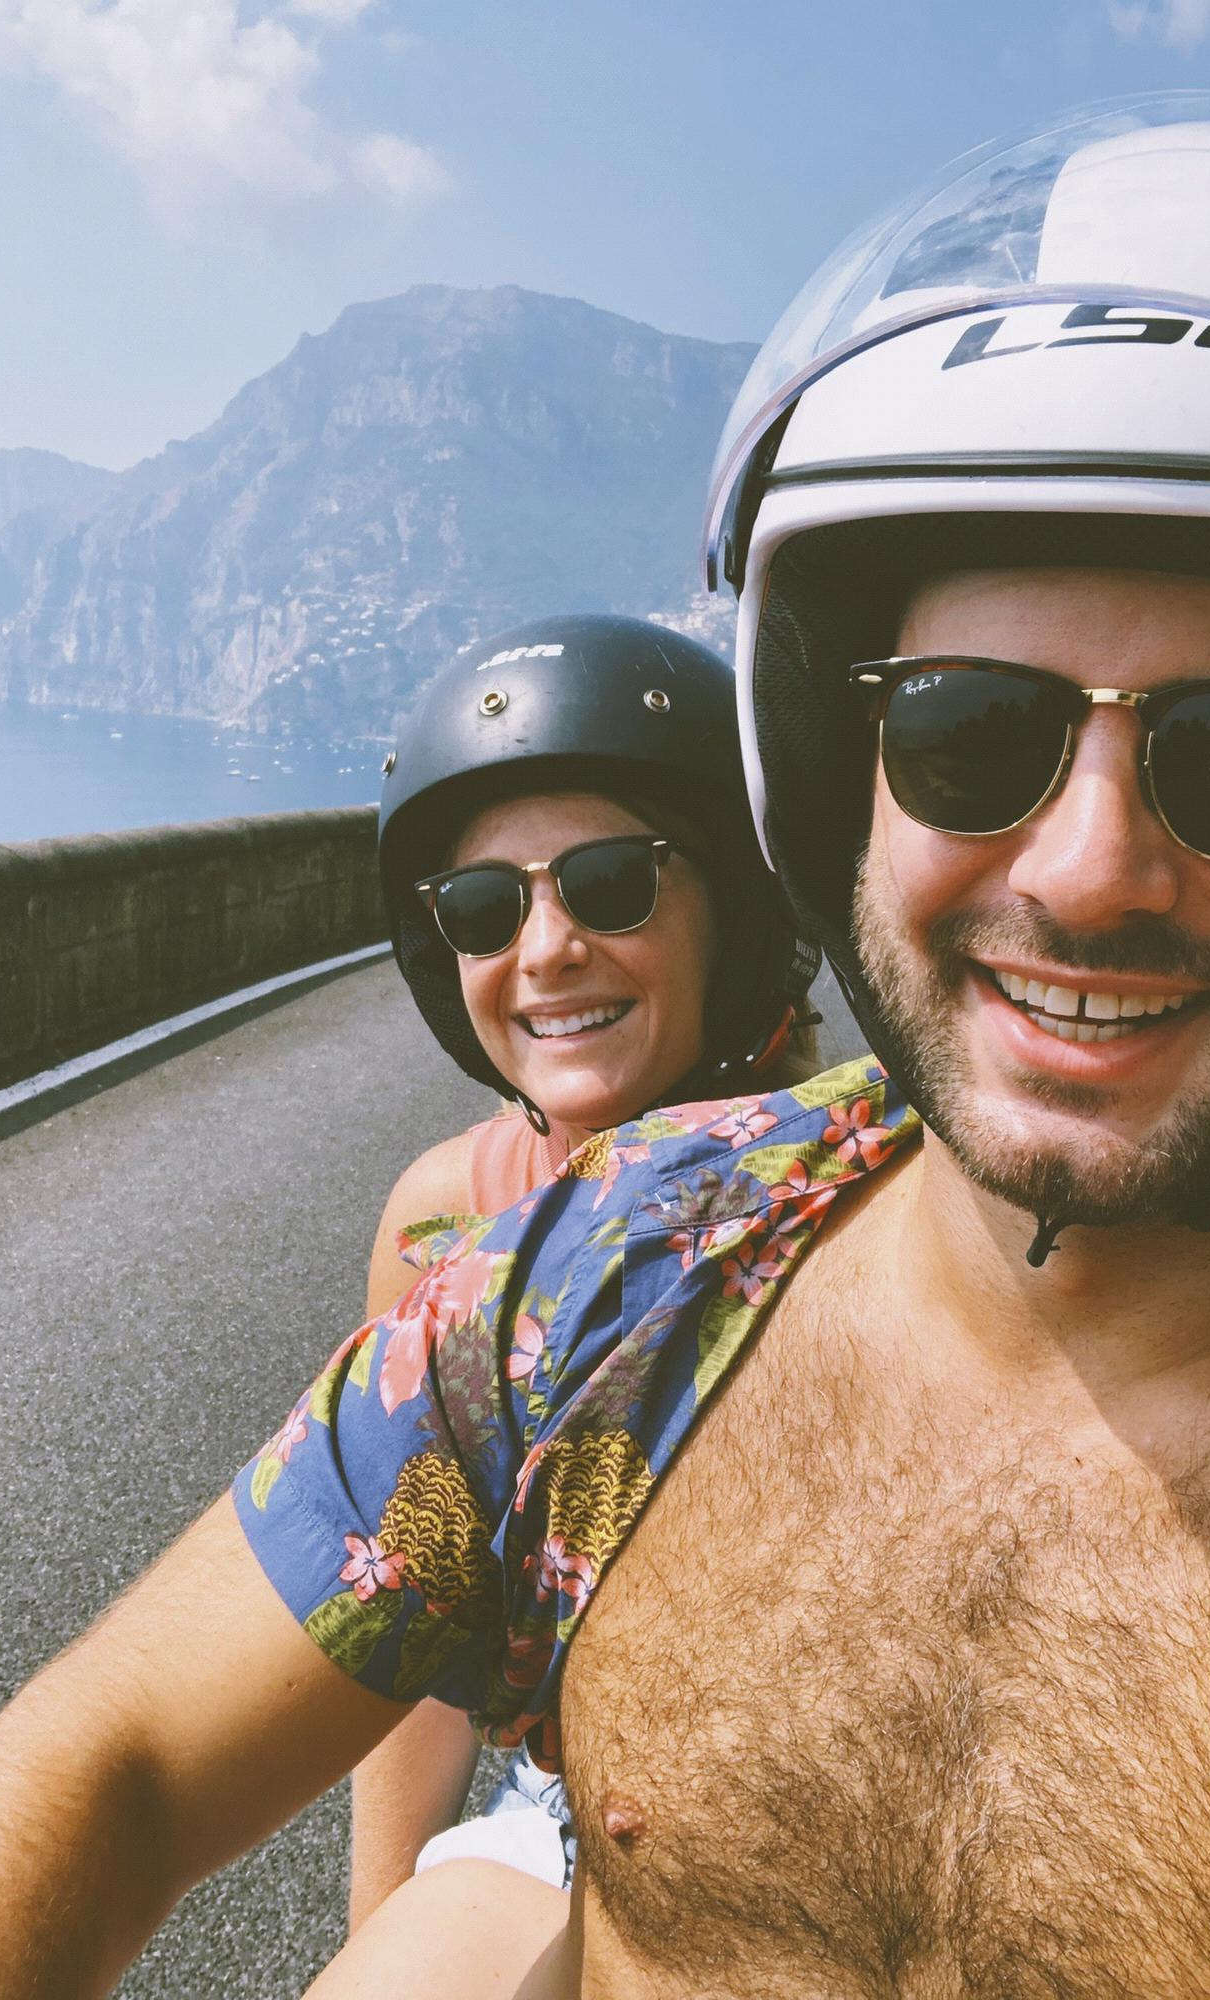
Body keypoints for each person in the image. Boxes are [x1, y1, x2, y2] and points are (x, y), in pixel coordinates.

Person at [0, 91, 1210, 2000]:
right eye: (970, 735)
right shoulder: (616, 1277)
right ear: (833, 779)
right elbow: (116, 1759)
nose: (1086, 871)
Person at [346, 611, 819, 1936]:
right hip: (575, 1807)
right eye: (486, 908)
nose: (544, 947)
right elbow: (411, 1622)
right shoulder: (445, 1223)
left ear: (733, 901)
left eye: (611, 882)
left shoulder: (882, 1190)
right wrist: (379, 1926)